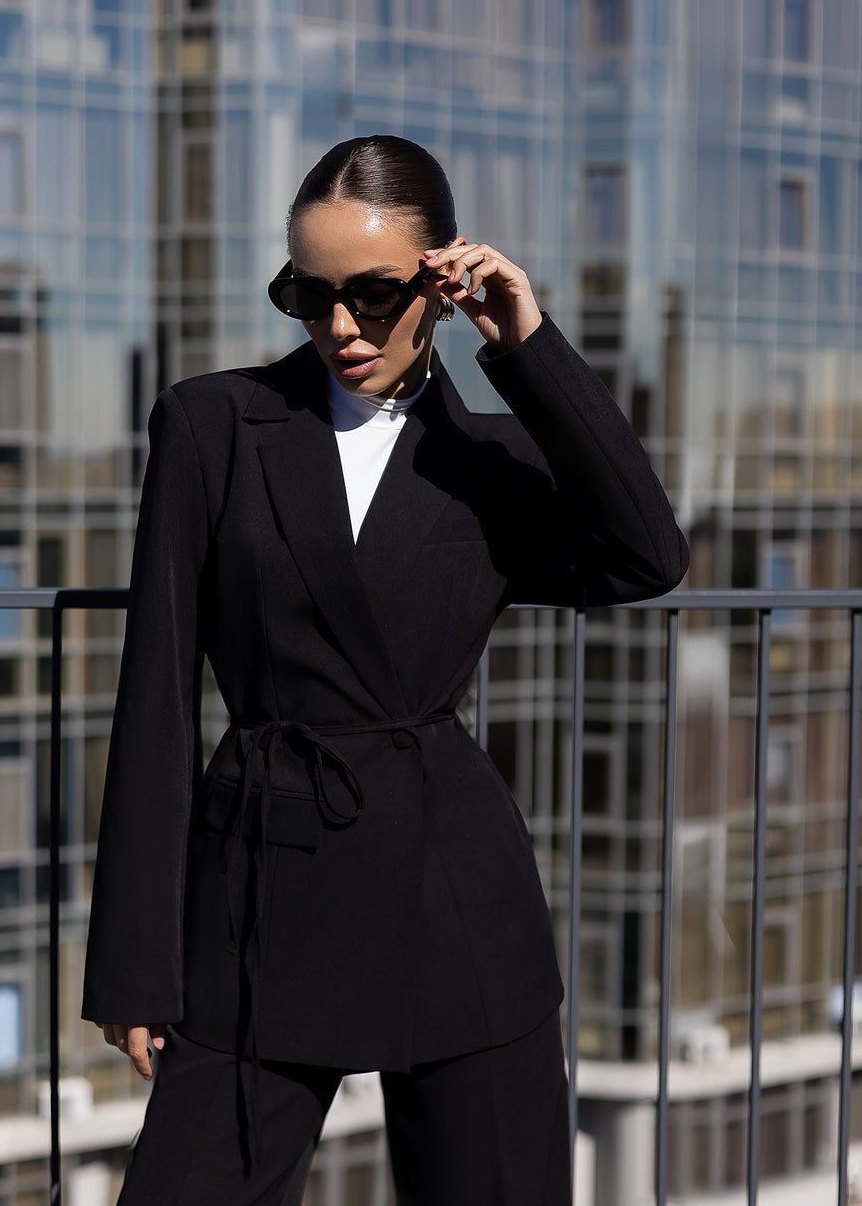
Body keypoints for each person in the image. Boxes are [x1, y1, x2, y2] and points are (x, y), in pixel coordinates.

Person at [82, 136, 688, 1206]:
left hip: (453, 892)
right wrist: (135, 954)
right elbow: (158, 694)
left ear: (444, 286)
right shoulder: (212, 423)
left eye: (373, 292)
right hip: (261, 889)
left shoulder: (496, 457)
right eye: (308, 297)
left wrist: (527, 342)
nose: (341, 327)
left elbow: (645, 555)